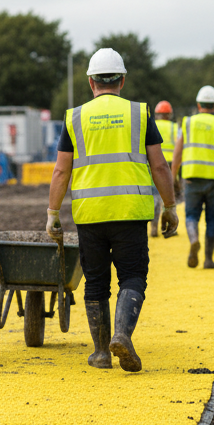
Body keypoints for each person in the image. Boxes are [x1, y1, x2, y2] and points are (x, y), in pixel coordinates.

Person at [46, 48, 178, 373]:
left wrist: (52, 213)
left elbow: (61, 171)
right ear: (122, 81)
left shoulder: (74, 117)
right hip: (131, 211)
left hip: (90, 213)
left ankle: (102, 353)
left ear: (91, 82)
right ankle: (122, 333)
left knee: (95, 282)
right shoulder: (139, 113)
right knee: (132, 276)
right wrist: (170, 207)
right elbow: (159, 165)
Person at [172, 85, 214, 270]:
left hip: (192, 178)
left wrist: (173, 177)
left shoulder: (187, 123)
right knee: (212, 218)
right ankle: (208, 259)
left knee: (192, 215)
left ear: (198, 104)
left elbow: (178, 152)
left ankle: (194, 240)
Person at [150, 100, 181, 238]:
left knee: (154, 196)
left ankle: (153, 228)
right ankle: (168, 228)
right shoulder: (175, 128)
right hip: (169, 164)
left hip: (153, 163)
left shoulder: (152, 125)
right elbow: (180, 148)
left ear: (157, 114)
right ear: (169, 115)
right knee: (167, 197)